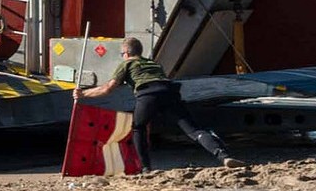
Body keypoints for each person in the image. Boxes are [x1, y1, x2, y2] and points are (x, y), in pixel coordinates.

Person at [76, 37, 243, 171]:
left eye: (122, 54)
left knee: (138, 128)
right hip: (170, 93)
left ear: (126, 53)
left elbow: (107, 88)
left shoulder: (127, 64)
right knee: (194, 130)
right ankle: (224, 156)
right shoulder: (154, 64)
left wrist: (83, 94)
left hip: (147, 95)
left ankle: (145, 167)